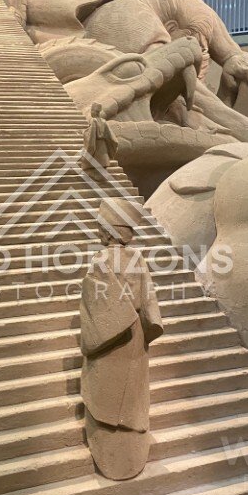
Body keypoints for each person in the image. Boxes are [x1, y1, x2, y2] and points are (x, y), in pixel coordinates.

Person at [80, 198, 163, 480]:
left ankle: (111, 452)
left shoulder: (101, 260)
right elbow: (150, 307)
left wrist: (95, 335)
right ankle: (131, 451)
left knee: (106, 390)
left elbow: (96, 308)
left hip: (108, 345)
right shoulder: (138, 259)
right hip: (134, 338)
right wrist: (142, 330)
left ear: (106, 230)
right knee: (133, 394)